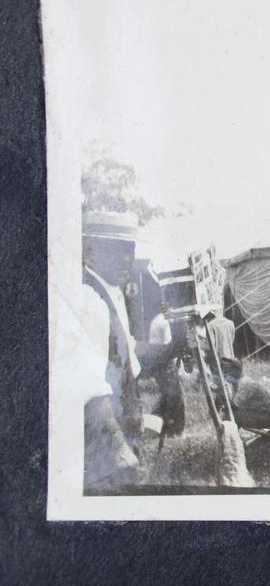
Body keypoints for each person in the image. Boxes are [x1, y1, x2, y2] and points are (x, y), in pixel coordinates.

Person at [75, 210, 144, 491]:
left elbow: (130, 360)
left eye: (130, 250)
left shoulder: (112, 291)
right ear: (90, 250)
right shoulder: (87, 296)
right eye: (116, 250)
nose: (127, 259)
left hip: (120, 427)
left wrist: (172, 345)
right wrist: (118, 448)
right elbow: (89, 385)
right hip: (102, 438)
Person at [147, 301, 185, 437]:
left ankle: (161, 427)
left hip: (157, 362)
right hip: (164, 361)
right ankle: (175, 429)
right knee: (176, 397)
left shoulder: (156, 320)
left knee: (166, 395)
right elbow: (169, 347)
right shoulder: (164, 322)